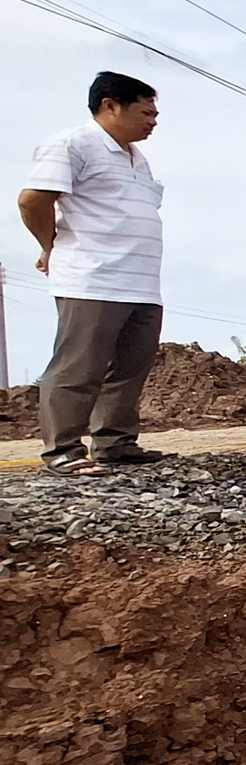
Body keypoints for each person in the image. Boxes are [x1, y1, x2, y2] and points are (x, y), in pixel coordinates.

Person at [18, 71, 171, 475]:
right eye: (146, 112)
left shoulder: (137, 158)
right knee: (79, 367)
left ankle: (116, 442)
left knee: (129, 368)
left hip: (140, 282)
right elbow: (33, 200)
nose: (153, 120)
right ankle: (63, 449)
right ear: (110, 106)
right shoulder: (73, 144)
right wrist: (48, 245)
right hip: (92, 277)